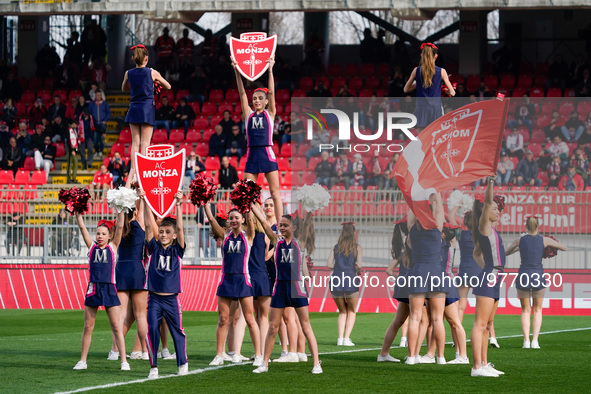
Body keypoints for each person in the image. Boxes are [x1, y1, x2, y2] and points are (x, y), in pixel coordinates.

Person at [250, 205, 322, 374]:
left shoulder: (300, 242)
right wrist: (253, 206)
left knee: (305, 326)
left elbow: (307, 223)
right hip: (280, 288)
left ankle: (316, 363)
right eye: (280, 225)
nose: (281, 228)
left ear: (294, 228)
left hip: (297, 287)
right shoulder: (276, 241)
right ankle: (264, 364)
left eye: (285, 225)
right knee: (273, 326)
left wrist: (311, 205)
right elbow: (263, 222)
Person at [204, 204, 263, 367]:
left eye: (237, 217)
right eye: (231, 218)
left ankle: (258, 355)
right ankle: (219, 355)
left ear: (243, 220)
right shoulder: (224, 235)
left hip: (243, 280)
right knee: (223, 319)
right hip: (226, 281)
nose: (234, 220)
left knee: (250, 319)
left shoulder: (248, 235)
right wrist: (206, 205)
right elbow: (211, 219)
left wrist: (249, 203)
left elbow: (252, 219)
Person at [140, 190, 188, 378]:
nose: (163, 234)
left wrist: (178, 205)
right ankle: (153, 367)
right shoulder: (154, 247)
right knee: (151, 329)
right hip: (154, 299)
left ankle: (182, 363)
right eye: (161, 231)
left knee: (177, 331)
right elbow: (147, 225)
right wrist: (144, 200)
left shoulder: (178, 250)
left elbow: (181, 229)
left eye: (168, 232)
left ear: (175, 235)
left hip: (171, 300)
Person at [72, 213, 128, 371]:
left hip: (110, 288)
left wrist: (121, 210)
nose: (100, 236)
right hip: (93, 288)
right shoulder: (91, 247)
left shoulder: (113, 247)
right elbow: (82, 228)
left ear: (110, 236)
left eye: (104, 234)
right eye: (98, 233)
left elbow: (121, 227)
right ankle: (83, 361)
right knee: (88, 327)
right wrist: (78, 216)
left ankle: (124, 361)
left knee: (117, 327)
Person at [232, 55, 283, 224]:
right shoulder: (248, 114)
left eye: (260, 98)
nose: (257, 101)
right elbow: (240, 92)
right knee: (247, 195)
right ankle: (252, 225)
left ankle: (279, 224)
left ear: (267, 101)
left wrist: (270, 69)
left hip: (267, 153)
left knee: (275, 194)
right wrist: (236, 70)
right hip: (252, 154)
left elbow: (272, 91)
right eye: (254, 98)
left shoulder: (270, 113)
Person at [505, 216, 567, 349]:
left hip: (523, 274)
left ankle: (526, 341)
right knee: (537, 309)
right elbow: (564, 248)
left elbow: (506, 252)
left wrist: (519, 248)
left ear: (525, 226)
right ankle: (535, 341)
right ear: (538, 226)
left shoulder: (520, 240)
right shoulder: (544, 239)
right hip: (538, 275)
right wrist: (548, 248)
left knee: (525, 310)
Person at [404, 195, 447, 366]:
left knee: (414, 318)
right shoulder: (437, 230)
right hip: (436, 272)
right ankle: (441, 357)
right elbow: (440, 209)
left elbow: (411, 214)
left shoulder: (412, 230)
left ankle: (411, 357)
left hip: (418, 272)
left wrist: (415, 198)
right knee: (437, 319)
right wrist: (437, 198)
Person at [470, 176, 506, 377]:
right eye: (495, 209)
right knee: (480, 324)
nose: (497, 211)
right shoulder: (484, 225)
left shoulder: (491, 230)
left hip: (494, 276)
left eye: (498, 209)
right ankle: (476, 367)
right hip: (490, 277)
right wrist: (491, 183)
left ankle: (484, 364)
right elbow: (487, 202)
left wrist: (488, 270)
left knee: (488, 325)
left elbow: (476, 253)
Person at [108, 195, 149, 361]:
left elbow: (121, 208)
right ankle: (145, 352)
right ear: (136, 211)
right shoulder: (139, 222)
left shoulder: (121, 226)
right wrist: (141, 193)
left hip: (121, 270)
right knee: (141, 315)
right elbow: (143, 206)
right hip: (137, 269)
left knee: (121, 315)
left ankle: (114, 351)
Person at [122, 44, 172, 179]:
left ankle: (133, 170)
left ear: (133, 58)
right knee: (145, 143)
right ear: (146, 58)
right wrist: (157, 78)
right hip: (147, 108)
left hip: (133, 107)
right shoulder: (152, 72)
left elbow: (123, 88)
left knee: (135, 142)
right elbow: (168, 85)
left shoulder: (128, 73)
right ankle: (141, 170)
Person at [403, 43, 455, 129]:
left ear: (422, 55)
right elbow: (452, 93)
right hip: (435, 109)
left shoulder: (416, 70)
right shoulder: (441, 71)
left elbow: (406, 89)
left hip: (421, 109)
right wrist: (443, 89)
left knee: (422, 139)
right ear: (436, 56)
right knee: (435, 139)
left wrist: (418, 84)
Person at [378, 220, 409, 362]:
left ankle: (383, 354)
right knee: (420, 320)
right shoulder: (415, 245)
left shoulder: (402, 250)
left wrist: (399, 277)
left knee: (398, 321)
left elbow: (388, 270)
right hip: (414, 285)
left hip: (403, 285)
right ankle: (413, 355)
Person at [328, 222, 362, 346]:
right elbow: (360, 265)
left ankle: (340, 338)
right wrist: (355, 269)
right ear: (353, 233)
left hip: (336, 278)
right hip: (350, 278)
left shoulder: (335, 247)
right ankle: (347, 339)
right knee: (352, 311)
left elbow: (329, 265)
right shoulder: (357, 247)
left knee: (342, 311)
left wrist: (339, 266)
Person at [88, 91, 110, 158]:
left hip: (102, 124)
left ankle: (101, 151)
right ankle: (96, 151)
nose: (98, 96)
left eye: (100, 95)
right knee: (95, 139)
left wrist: (105, 121)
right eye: (97, 95)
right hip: (94, 124)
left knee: (101, 138)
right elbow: (89, 113)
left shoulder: (104, 104)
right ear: (95, 96)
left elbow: (108, 113)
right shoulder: (92, 104)